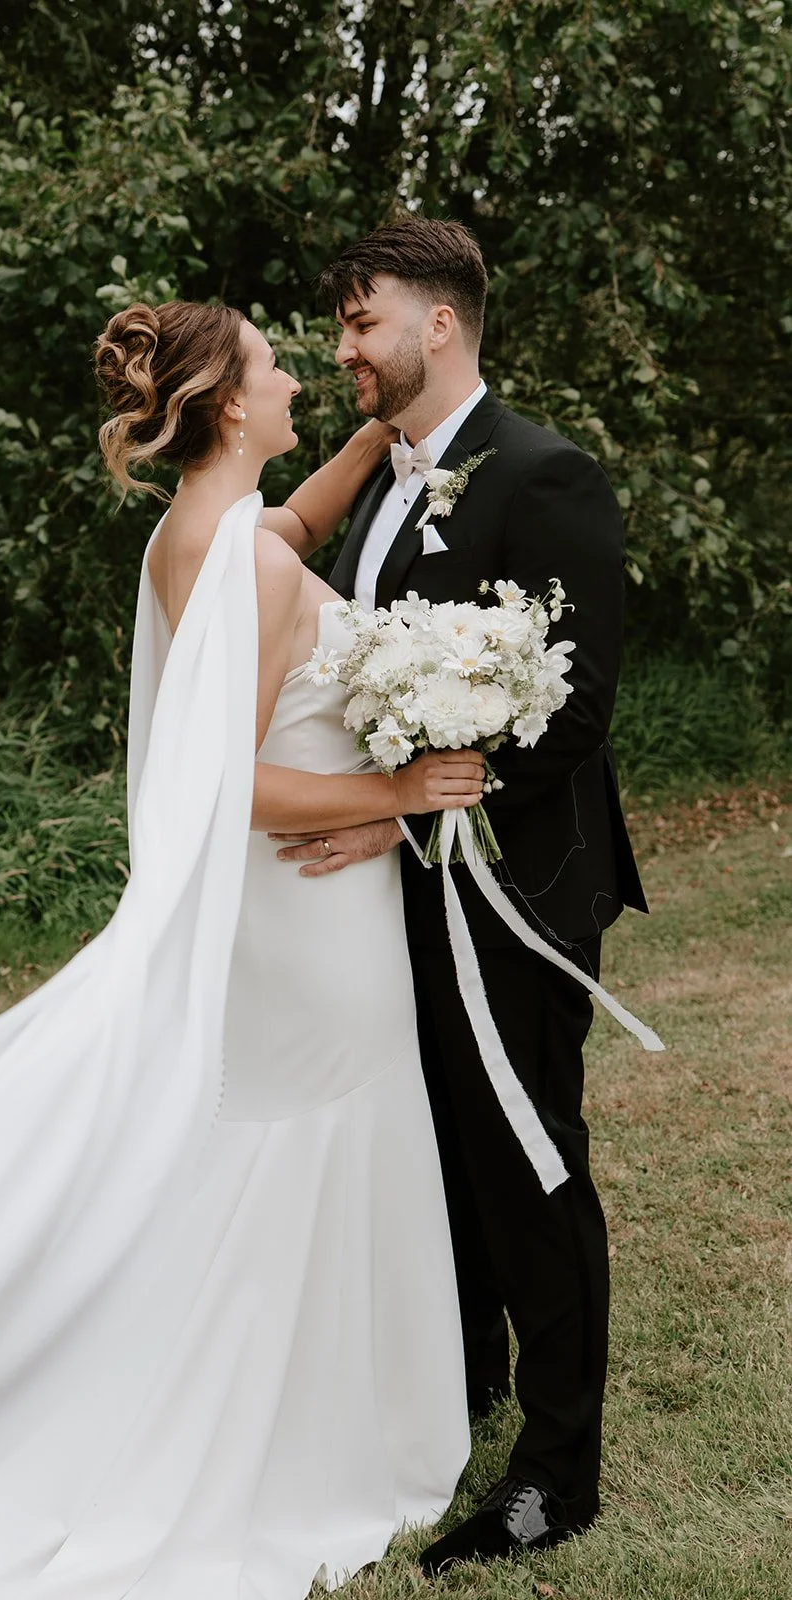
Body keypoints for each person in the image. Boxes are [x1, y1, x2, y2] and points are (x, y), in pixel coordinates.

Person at [0, 298, 484, 1600]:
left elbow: (288, 535)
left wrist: (373, 441)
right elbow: (225, 783)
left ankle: (305, 1416)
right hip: (307, 915)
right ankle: (295, 1442)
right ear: (232, 406)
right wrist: (401, 794)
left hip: (274, 920)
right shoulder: (237, 557)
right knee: (311, 1146)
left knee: (274, 1153)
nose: (301, 374)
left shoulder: (196, 532)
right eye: (273, 366)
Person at [272, 216, 648, 1573]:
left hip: (514, 889)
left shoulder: (545, 475)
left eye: (359, 322)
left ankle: (556, 1474)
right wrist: (384, 808)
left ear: (437, 324)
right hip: (393, 895)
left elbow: (574, 713)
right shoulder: (384, 485)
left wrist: (429, 800)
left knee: (524, 1159)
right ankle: (467, 1394)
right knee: (436, 1155)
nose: (343, 351)